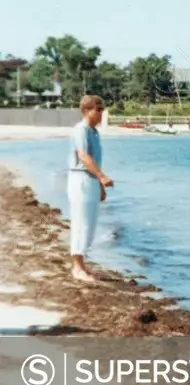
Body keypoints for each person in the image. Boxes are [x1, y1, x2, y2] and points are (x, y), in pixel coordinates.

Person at [67, 95, 114, 283]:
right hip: (81, 180)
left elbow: (95, 160)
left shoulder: (94, 132)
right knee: (81, 223)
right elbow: (84, 157)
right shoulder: (81, 129)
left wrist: (101, 186)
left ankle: (81, 264)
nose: (102, 112)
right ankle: (77, 268)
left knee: (90, 224)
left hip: (92, 181)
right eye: (98, 109)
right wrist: (102, 177)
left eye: (102, 108)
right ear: (87, 110)